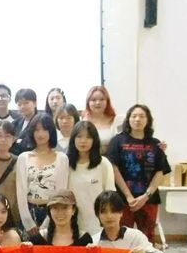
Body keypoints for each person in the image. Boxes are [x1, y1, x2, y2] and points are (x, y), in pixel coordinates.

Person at [107, 104, 170, 244]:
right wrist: (128, 196)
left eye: (142, 116)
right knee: (122, 237)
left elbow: (160, 171)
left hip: (149, 200)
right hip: (123, 200)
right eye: (134, 116)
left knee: (148, 238)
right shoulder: (117, 141)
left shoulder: (156, 144)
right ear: (128, 119)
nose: (137, 119)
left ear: (148, 120)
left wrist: (146, 196)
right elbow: (113, 168)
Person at [16, 115, 69, 235]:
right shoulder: (23, 158)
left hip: (54, 213)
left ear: (51, 132)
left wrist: (47, 223)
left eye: (45, 129)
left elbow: (60, 193)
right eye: (37, 130)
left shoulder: (62, 158)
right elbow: (20, 191)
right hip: (29, 212)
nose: (40, 134)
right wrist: (28, 222)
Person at [67, 121, 115, 236]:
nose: (83, 141)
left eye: (88, 137)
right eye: (79, 136)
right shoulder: (66, 164)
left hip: (98, 223)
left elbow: (110, 196)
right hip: (72, 223)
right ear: (73, 139)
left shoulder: (103, 163)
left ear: (94, 140)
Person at [82, 86, 121, 154]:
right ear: (88, 102)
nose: (98, 103)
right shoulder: (83, 123)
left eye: (102, 99)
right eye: (93, 100)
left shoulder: (116, 120)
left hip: (113, 158)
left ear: (107, 101)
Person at [12, 88, 44, 154]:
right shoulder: (15, 123)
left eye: (26, 103)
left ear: (35, 103)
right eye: (19, 104)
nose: (22, 107)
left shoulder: (42, 122)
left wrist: (18, 141)